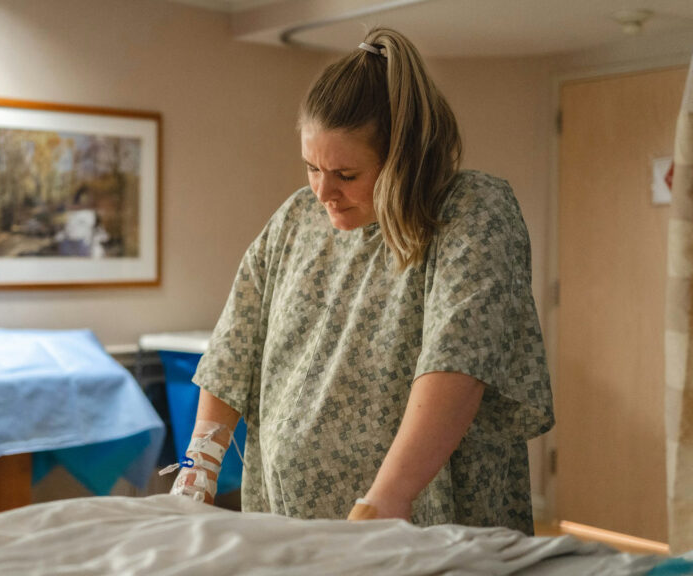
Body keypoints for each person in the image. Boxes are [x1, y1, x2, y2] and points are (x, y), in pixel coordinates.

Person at [171, 27, 554, 535]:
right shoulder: (296, 220)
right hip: (289, 521)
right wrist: (198, 468)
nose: (323, 191)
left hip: (418, 523)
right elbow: (234, 348)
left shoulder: (469, 213)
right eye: (312, 167)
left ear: (405, 158)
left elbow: (458, 362)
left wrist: (386, 499)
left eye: (346, 175)